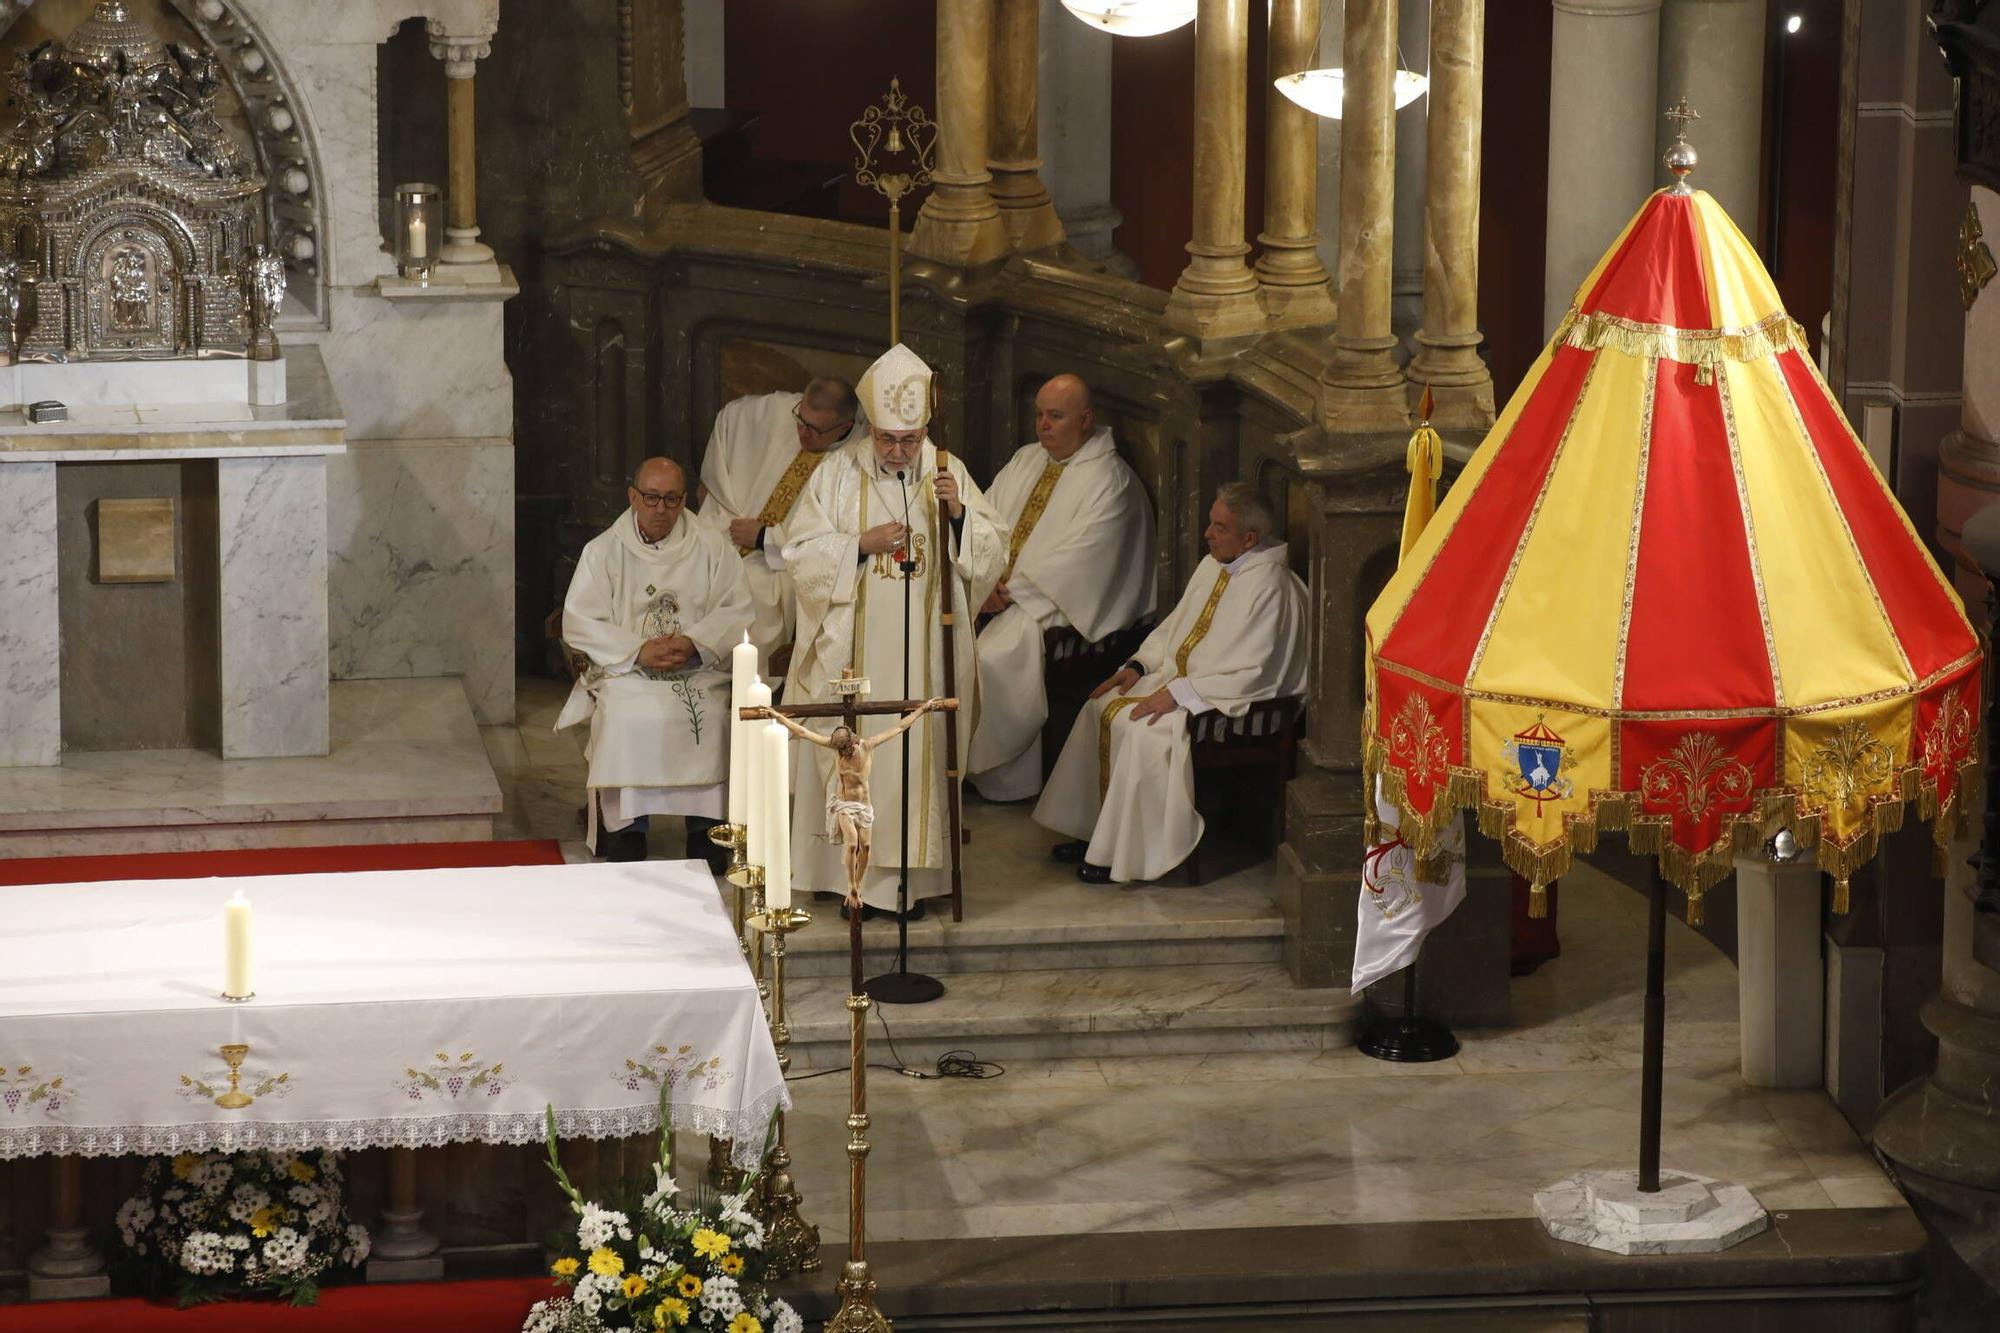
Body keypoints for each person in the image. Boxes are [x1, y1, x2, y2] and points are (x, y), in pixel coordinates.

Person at [781, 343, 1009, 919]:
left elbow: (991, 549)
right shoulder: (836, 474)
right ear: (871, 428)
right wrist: (859, 545)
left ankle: (909, 886)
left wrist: (958, 516)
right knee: (856, 754)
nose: (900, 451)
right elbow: (799, 553)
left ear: (925, 428)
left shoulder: (946, 470)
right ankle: (848, 882)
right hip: (853, 654)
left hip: (926, 651)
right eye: (888, 439)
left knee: (915, 759)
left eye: (910, 439)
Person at [1034, 482, 1308, 884]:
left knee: (1141, 728)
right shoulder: (1214, 564)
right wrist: (1140, 667)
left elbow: (1254, 671)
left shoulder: (1271, 587)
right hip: (1180, 683)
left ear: (1249, 538)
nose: (1207, 534)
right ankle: (1095, 834)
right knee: (1100, 705)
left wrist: (1180, 696)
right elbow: (1175, 627)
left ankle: (1127, 855)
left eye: (1219, 527)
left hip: (1228, 707)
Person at [967, 373, 1156, 801]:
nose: (1042, 426)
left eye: (1055, 416)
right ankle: (961, 763)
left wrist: (1008, 594)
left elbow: (1083, 558)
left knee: (989, 657)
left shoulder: (1111, 481)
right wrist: (983, 580)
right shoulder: (1027, 460)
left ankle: (995, 772)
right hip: (1001, 592)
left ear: (1085, 419)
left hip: (1059, 603)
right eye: (1038, 414)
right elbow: (983, 518)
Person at [556, 457, 752, 865]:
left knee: (710, 717)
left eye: (671, 499)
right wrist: (636, 649)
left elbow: (738, 609)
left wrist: (695, 643)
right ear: (632, 497)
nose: (661, 509)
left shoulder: (712, 546)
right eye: (651, 498)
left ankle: (705, 829)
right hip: (629, 671)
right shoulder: (603, 551)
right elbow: (578, 621)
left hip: (696, 669)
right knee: (627, 715)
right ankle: (628, 831)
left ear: (684, 499)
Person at [695, 377, 863, 678]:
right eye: (801, 420)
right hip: (729, 542)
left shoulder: (858, 460)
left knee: (755, 600)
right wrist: (718, 491)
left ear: (844, 427)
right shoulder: (777, 410)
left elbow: (840, 536)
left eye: (815, 429)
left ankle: (732, 689)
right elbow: (731, 420)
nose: (802, 432)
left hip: (782, 564)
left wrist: (765, 537)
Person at [755, 699, 951, 908]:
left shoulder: (867, 746)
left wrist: (923, 709)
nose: (842, 754)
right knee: (852, 845)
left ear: (852, 742)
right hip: (845, 806)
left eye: (844, 749)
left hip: (864, 807)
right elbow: (804, 733)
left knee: (865, 847)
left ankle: (858, 885)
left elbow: (900, 727)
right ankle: (851, 887)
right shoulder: (837, 747)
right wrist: (777, 716)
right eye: (839, 750)